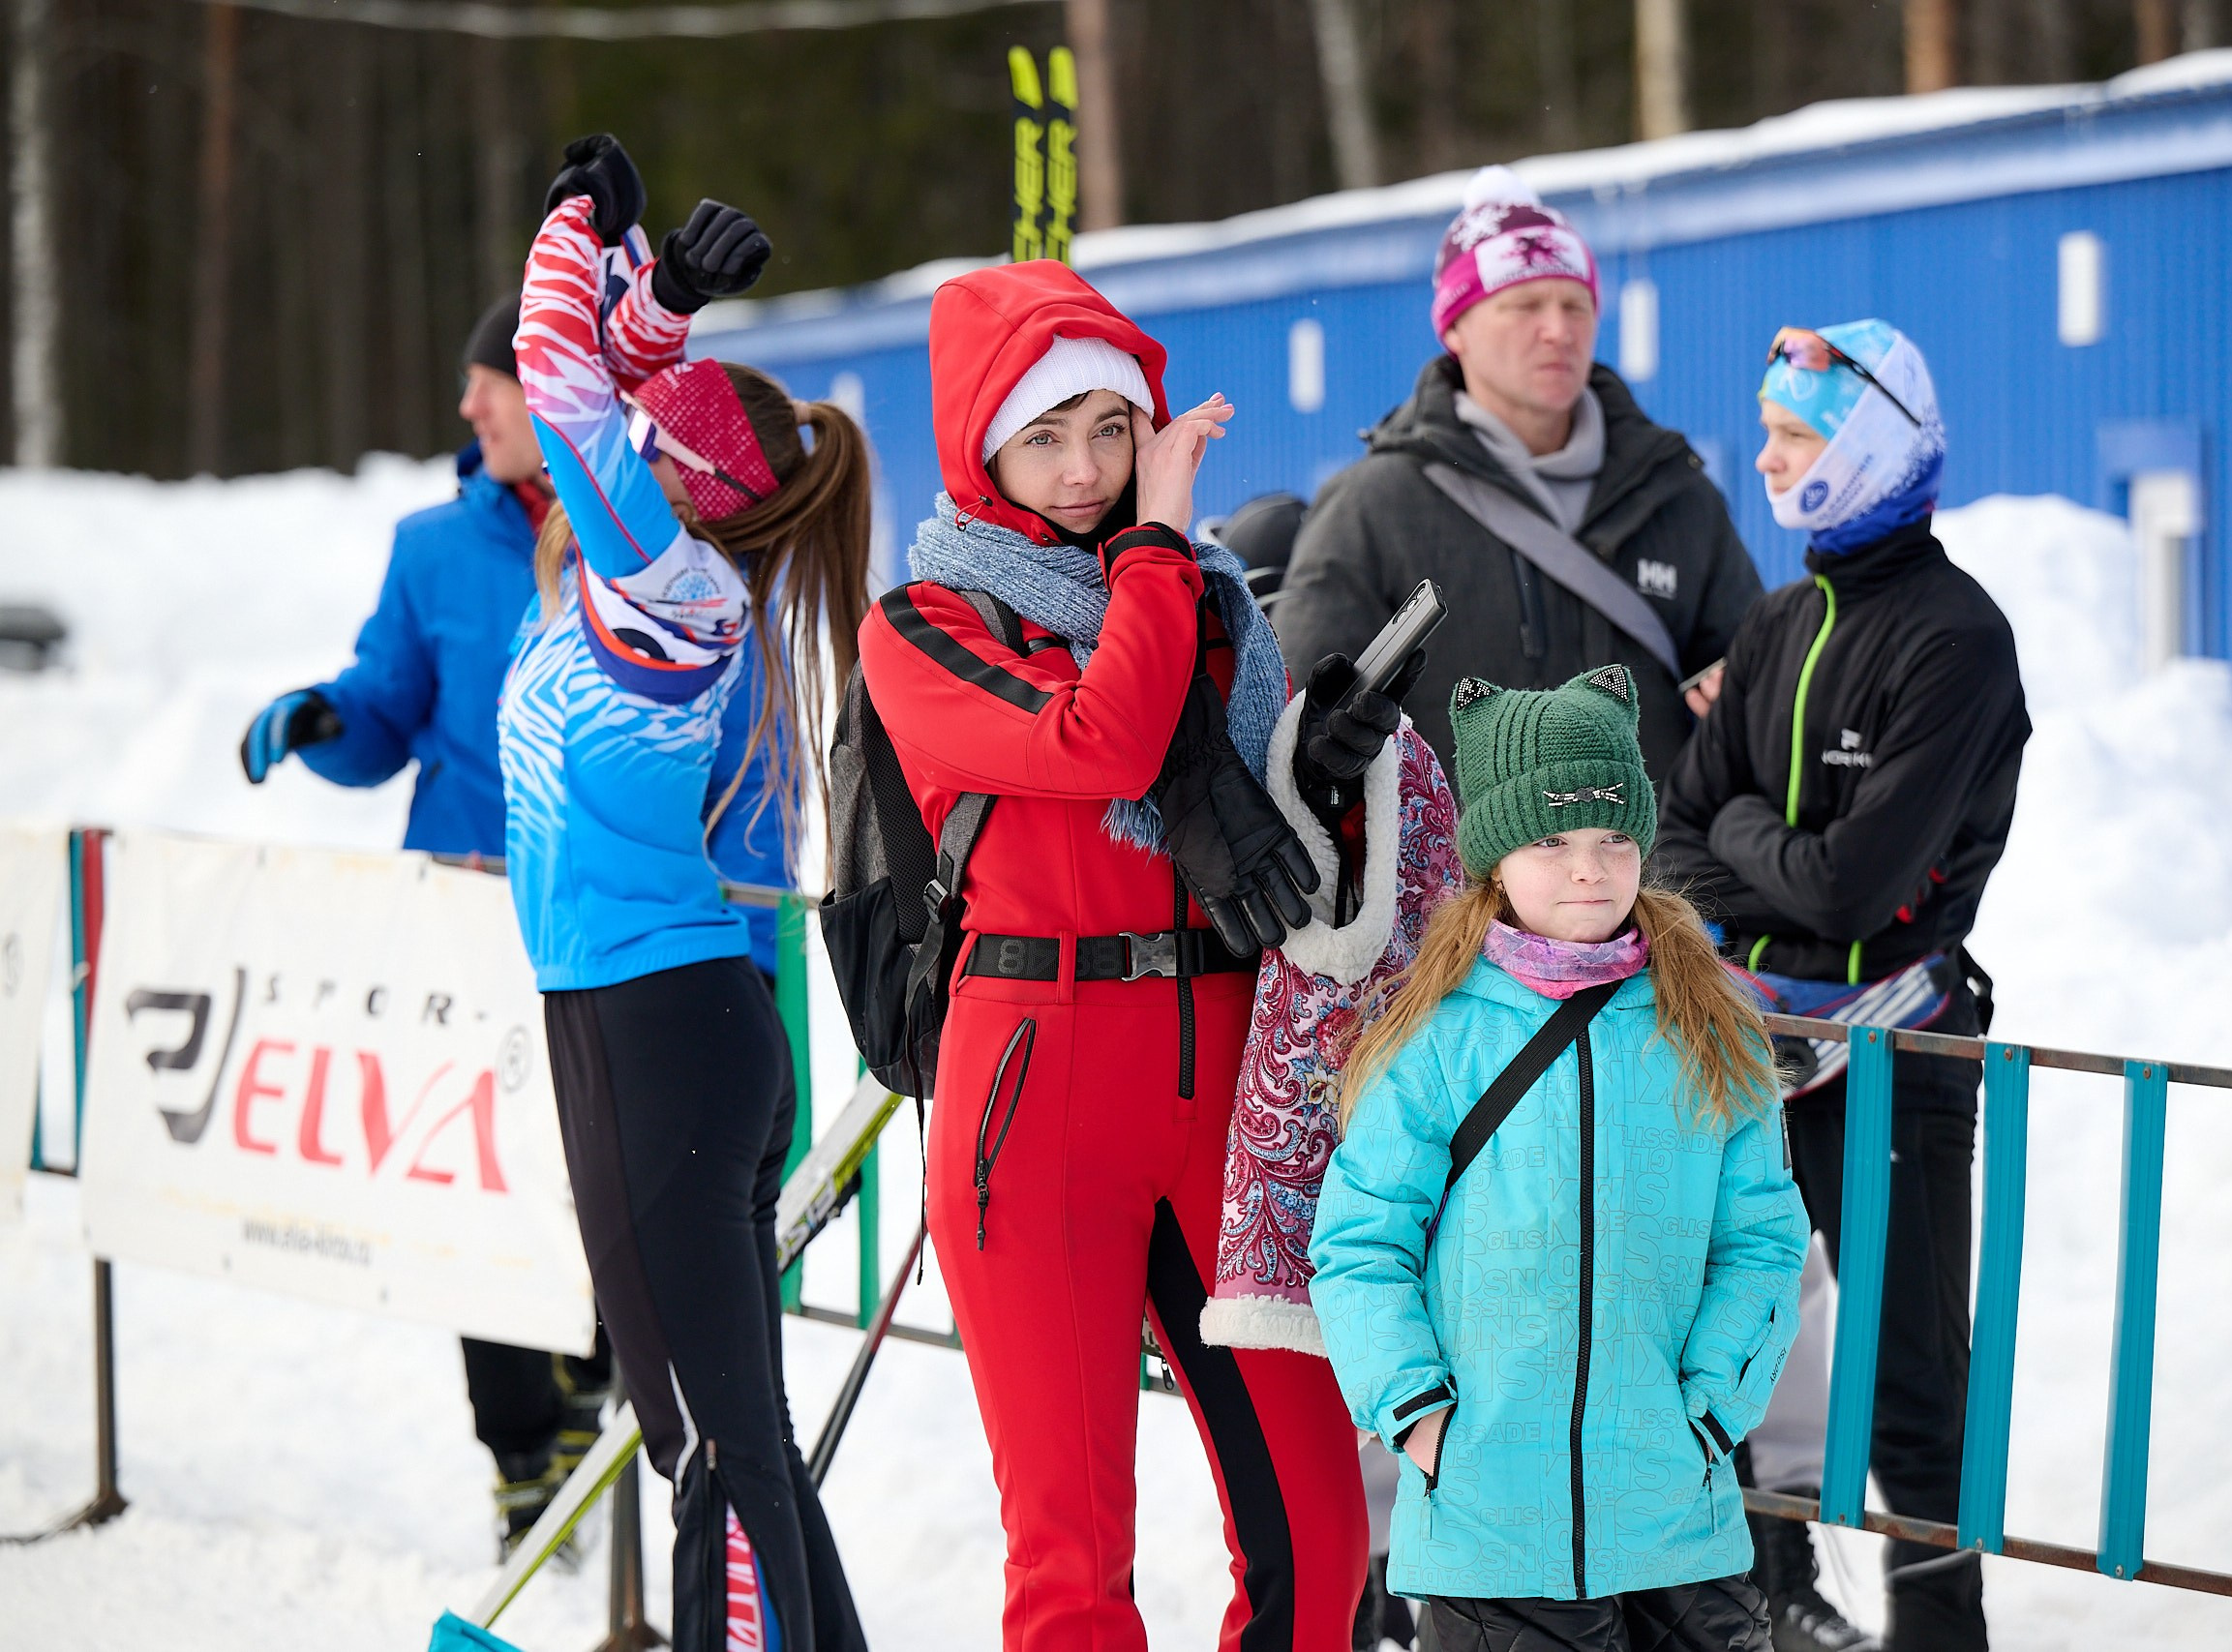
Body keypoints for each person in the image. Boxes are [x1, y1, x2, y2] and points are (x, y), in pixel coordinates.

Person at [853, 256, 1373, 1651]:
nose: (1086, 468)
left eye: (1110, 426)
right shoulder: (923, 625)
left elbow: (1249, 827)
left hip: (1226, 1078)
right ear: (981, 448)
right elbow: (1102, 739)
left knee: (1321, 1536)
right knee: (1073, 1562)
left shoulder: (1208, 608)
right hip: (1034, 1087)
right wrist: (1156, 545)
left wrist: (1307, 774)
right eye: (1046, 434)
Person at [503, 135, 870, 1650]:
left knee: (709, 1450)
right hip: (632, 1018)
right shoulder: (662, 566)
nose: (620, 469)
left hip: (667, 1037)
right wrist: (654, 302)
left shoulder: (673, 586)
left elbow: (554, 373)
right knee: (736, 1434)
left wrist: (580, 224)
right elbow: (607, 395)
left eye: (655, 450)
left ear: (691, 484)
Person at [1651, 321, 2030, 1652]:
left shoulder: (1958, 641)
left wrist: (1748, 836)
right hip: (1756, 1057)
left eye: (1794, 435)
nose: (1764, 459)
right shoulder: (1779, 619)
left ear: (1867, 446)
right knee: (1737, 1346)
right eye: (1768, 430)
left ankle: (1943, 1637)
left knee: (1916, 1396)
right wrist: (1763, 847)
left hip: (1896, 1058)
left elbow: (1851, 891)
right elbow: (1672, 839)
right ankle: (1756, 1605)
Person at [1310, 664, 1806, 1652]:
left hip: (1674, 1515)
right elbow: (1362, 1247)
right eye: (1551, 841)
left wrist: (1708, 1412)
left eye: (1614, 837)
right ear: (1495, 860)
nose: (1590, 867)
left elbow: (1760, 1240)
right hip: (1490, 1530)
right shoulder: (1434, 1040)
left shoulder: (1705, 1026)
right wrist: (1420, 1421)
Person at [236, 294, 618, 1555]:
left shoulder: (638, 525)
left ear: (549, 391)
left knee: (603, 1165)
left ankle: (590, 1382)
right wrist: (324, 721)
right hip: (461, 910)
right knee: (475, 1177)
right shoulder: (430, 547)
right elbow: (385, 702)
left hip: (606, 907)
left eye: (491, 382)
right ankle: (519, 1447)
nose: (469, 406)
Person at [1277, 165, 1763, 781]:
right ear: (1455, 328)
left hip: (1648, 873)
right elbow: (1303, 731)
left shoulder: (1679, 495)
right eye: (1524, 305)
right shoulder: (1369, 507)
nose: (1558, 330)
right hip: (1457, 876)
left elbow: (1762, 695)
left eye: (1576, 305)